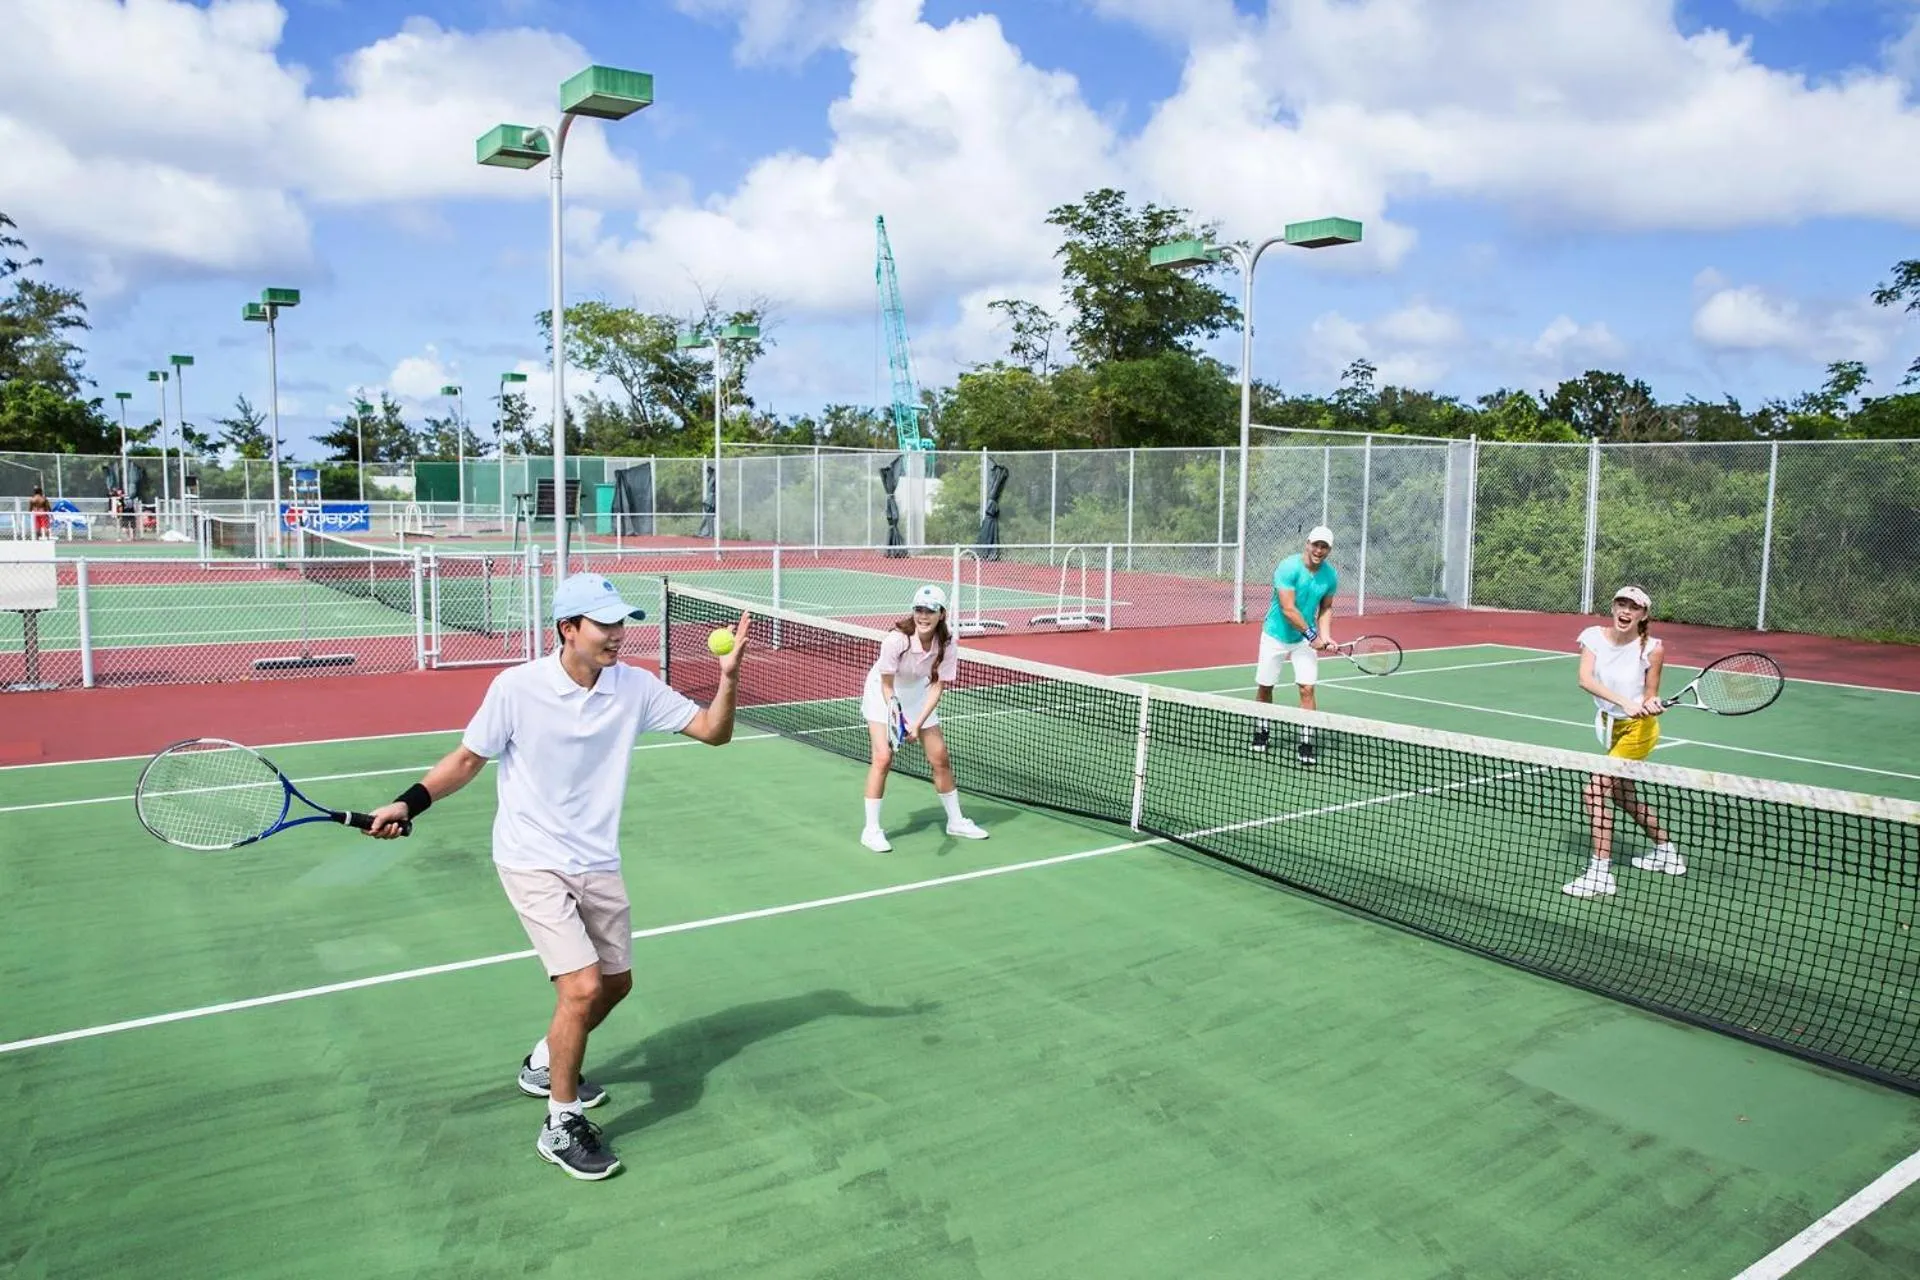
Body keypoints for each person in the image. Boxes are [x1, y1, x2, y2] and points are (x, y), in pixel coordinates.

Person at [363, 573, 749, 1181]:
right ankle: (560, 1121)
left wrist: (727, 679)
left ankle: (544, 1062)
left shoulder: (635, 687)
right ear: (568, 628)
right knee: (581, 988)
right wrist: (408, 803)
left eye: (622, 623)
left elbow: (713, 732)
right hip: (530, 857)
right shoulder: (516, 688)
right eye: (605, 624)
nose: (618, 635)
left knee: (616, 985)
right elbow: (467, 760)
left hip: (597, 859)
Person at [1562, 585, 1683, 899]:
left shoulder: (1652, 648)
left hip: (1638, 731)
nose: (1626, 611)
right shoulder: (1593, 638)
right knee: (1623, 797)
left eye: (1634, 607)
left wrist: (1649, 702)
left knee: (1594, 791)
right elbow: (1584, 679)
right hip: (1612, 725)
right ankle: (1667, 852)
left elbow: (1651, 692)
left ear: (1644, 615)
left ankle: (1600, 874)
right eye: (1621, 604)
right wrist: (1624, 702)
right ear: (1613, 607)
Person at [858, 584, 989, 852]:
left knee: (939, 756)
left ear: (941, 613)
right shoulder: (896, 640)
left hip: (918, 693)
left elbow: (938, 686)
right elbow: (886, 685)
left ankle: (955, 821)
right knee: (883, 757)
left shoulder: (947, 643)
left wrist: (916, 724)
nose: (923, 615)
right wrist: (898, 718)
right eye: (919, 609)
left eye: (930, 610)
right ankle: (871, 830)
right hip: (884, 692)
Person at [1254, 525, 1339, 765]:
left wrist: (1325, 635)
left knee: (1307, 689)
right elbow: (1288, 609)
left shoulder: (1330, 576)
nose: (1319, 551)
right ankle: (1261, 730)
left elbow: (1325, 607)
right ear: (1307, 543)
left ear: (1329, 550)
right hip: (1275, 636)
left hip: (1303, 641)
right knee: (1266, 687)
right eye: (1316, 545)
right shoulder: (1288, 567)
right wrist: (1313, 636)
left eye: (1324, 547)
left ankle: (1306, 742)